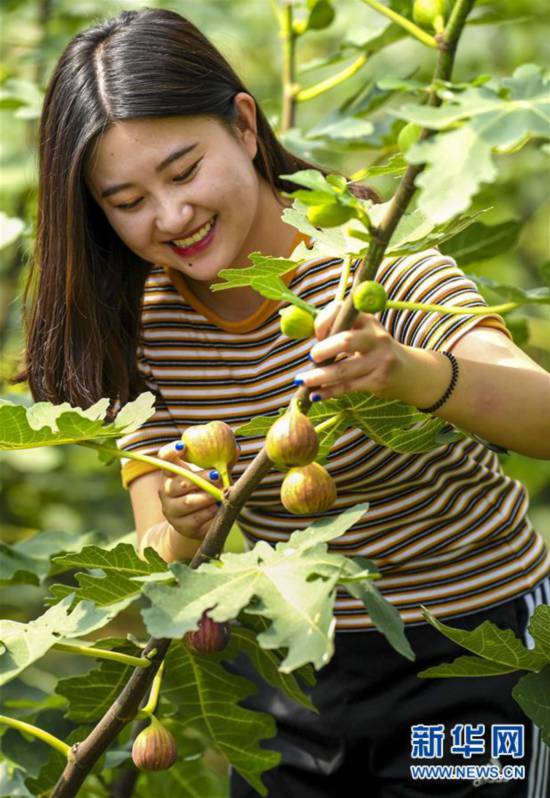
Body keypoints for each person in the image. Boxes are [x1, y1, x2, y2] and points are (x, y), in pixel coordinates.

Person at [13, 8, 550, 797]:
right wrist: (183, 521)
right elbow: (160, 561)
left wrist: (407, 372)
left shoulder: (371, 266)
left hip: (468, 660)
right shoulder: (135, 335)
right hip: (293, 684)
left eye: (184, 170)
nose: (171, 216)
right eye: (127, 201)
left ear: (244, 124)